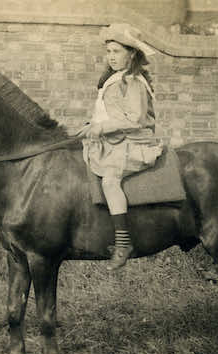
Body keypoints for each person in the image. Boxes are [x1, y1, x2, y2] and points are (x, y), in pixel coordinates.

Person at [76, 24, 163, 270]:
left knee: (110, 181)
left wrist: (101, 128)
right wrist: (91, 125)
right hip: (117, 141)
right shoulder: (115, 79)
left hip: (134, 143)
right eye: (108, 51)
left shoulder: (132, 81)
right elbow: (110, 114)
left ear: (131, 54)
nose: (111, 56)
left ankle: (123, 243)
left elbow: (133, 119)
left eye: (116, 51)